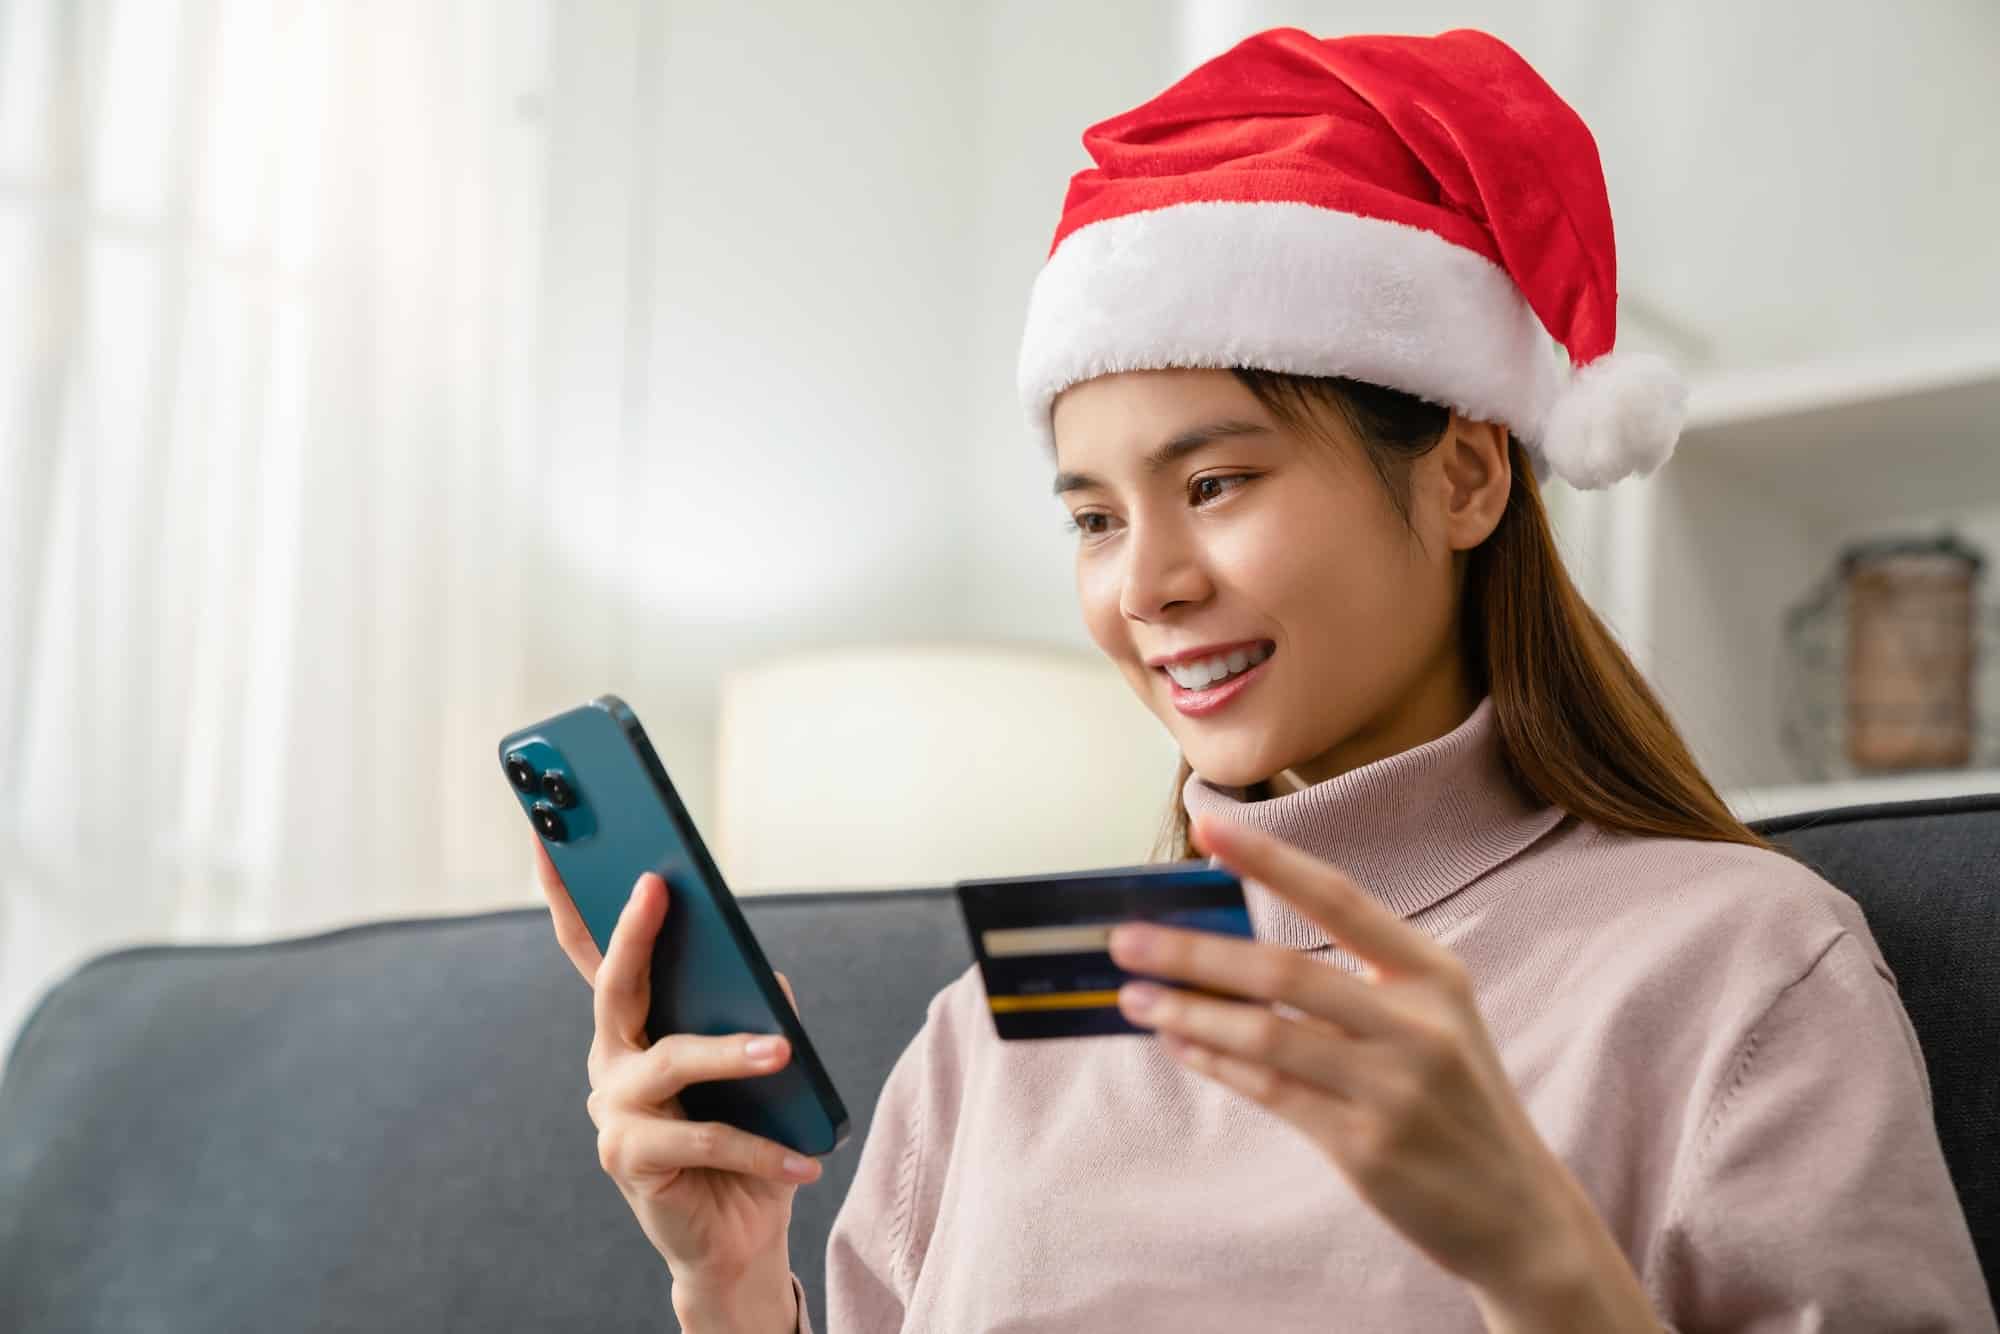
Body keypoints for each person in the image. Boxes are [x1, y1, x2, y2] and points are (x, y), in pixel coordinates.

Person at [536, 26, 1997, 1334]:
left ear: (1470, 475)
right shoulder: (1004, 1019)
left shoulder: (1737, 969)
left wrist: (1538, 1262)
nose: (1145, 583)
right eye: (1095, 517)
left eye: (1218, 479)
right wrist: (729, 1287)